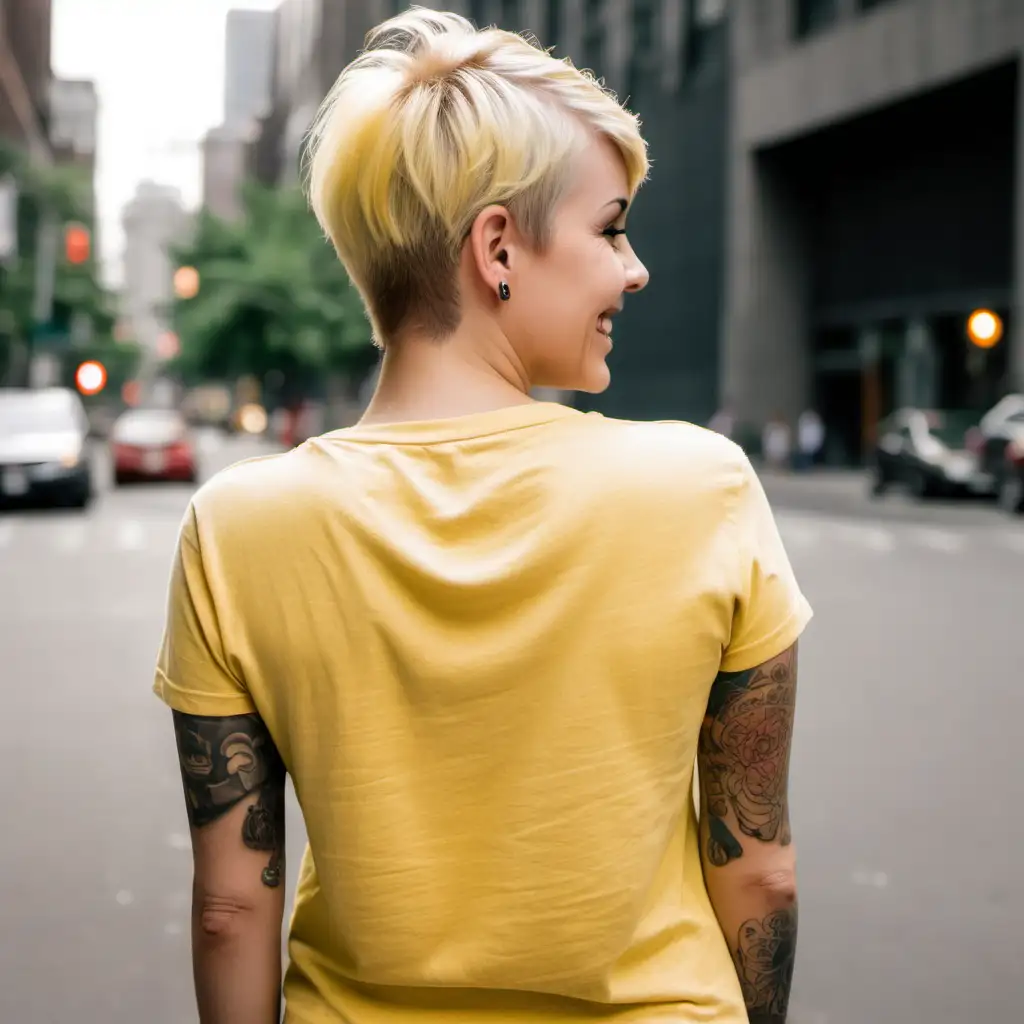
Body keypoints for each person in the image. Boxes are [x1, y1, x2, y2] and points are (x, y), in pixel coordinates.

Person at [155, 11, 812, 1024]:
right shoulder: (700, 487)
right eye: (609, 227)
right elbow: (756, 868)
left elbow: (230, 904)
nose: (633, 270)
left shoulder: (239, 525)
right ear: (497, 246)